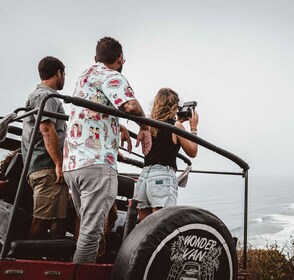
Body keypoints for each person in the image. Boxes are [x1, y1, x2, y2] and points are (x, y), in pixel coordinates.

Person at [62, 36, 151, 264]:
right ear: (120, 58)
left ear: (96, 57)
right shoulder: (112, 76)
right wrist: (145, 126)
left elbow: (91, 111)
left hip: (73, 164)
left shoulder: (84, 78)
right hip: (96, 164)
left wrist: (116, 123)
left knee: (85, 227)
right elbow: (130, 105)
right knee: (92, 234)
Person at [133, 88, 199, 221]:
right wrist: (193, 128)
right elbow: (193, 152)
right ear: (174, 106)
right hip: (162, 178)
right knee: (161, 226)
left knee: (144, 228)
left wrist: (177, 121)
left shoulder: (148, 126)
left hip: (144, 177)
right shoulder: (176, 126)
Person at [21, 56, 68, 240]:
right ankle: (26, 259)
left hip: (42, 166)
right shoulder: (46, 97)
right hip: (47, 167)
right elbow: (47, 129)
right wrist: (58, 163)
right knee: (41, 221)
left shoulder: (38, 95)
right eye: (64, 74)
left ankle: (49, 256)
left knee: (58, 218)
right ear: (58, 73)